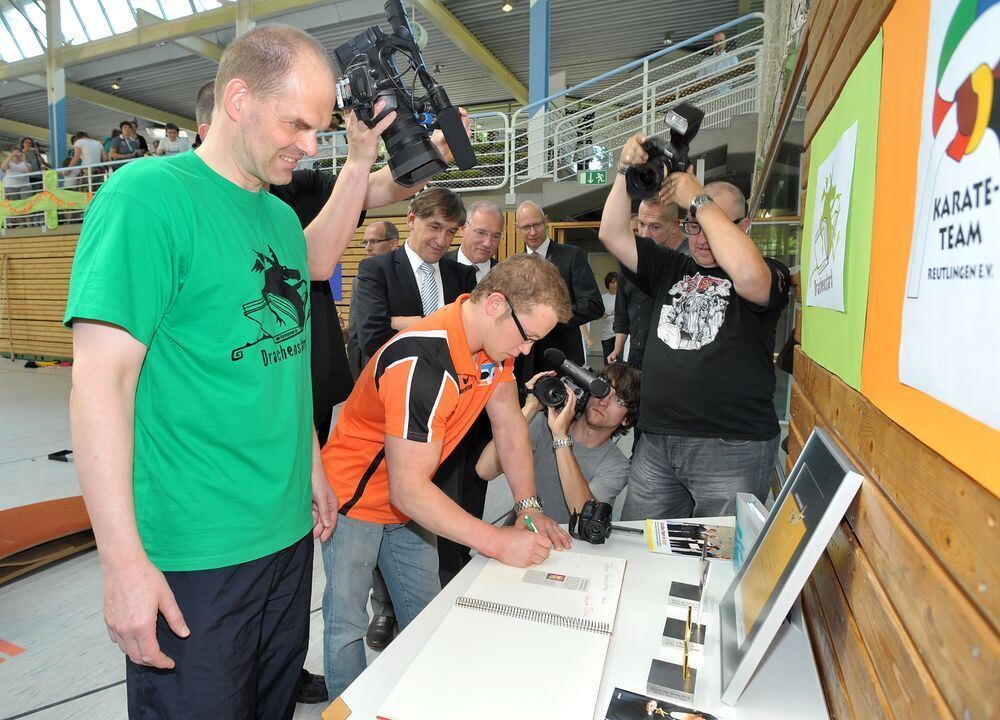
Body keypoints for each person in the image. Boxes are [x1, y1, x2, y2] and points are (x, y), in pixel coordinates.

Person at [66, 26, 343, 718]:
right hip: (195, 551)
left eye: (320, 128)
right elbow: (100, 383)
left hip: (286, 538)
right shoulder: (147, 198)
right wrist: (122, 563)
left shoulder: (281, 221)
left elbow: (284, 365)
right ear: (238, 100)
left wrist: (311, 463)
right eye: (297, 124)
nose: (311, 145)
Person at [319, 254, 574, 698]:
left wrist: (527, 506)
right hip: (355, 500)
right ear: (496, 304)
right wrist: (497, 541)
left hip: (412, 501)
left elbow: (508, 424)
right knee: (347, 624)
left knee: (428, 614)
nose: (526, 350)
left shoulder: (492, 349)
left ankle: (419, 701)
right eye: (527, 336)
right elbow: (408, 489)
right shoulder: (423, 363)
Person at [599, 132, 790, 520]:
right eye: (692, 225)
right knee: (640, 546)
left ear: (744, 226)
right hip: (658, 442)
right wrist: (623, 173)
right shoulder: (671, 265)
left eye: (710, 223)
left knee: (717, 553)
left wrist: (700, 201)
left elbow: (750, 279)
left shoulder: (767, 270)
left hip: (731, 447)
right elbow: (612, 234)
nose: (701, 238)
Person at [476, 362, 639, 523]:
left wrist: (560, 437)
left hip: (567, 538)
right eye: (602, 391)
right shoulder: (543, 424)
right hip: (522, 528)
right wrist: (529, 409)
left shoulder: (616, 465)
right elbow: (485, 470)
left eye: (618, 401)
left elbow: (585, 518)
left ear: (627, 419)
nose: (603, 402)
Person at [352, 187, 477, 365]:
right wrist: (441, 330)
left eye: (450, 231)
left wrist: (398, 323)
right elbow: (372, 339)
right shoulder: (376, 270)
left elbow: (472, 335)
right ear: (411, 219)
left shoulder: (463, 276)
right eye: (434, 227)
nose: (441, 241)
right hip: (395, 379)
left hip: (451, 379)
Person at [514, 200, 603, 379]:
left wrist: (552, 318)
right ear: (517, 228)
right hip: (524, 363)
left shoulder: (572, 256)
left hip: (563, 359)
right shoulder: (514, 265)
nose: (532, 232)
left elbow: (593, 305)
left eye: (537, 225)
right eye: (526, 227)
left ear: (546, 221)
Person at [609, 199, 686, 368]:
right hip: (638, 350)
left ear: (674, 226)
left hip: (674, 356)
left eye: (655, 227)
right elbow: (622, 315)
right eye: (641, 225)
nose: (644, 234)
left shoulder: (688, 263)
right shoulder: (628, 267)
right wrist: (617, 349)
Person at [347, 220, 400, 379]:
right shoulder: (360, 280)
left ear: (393, 244)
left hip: (397, 362)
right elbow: (355, 329)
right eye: (365, 242)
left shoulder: (408, 275)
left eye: (374, 242)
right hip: (367, 367)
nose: (368, 248)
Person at [445, 200, 503, 283]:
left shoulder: (506, 277)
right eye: (481, 233)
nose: (487, 243)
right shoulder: (437, 266)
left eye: (495, 236)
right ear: (463, 229)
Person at [598, 272, 618, 363]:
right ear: (608, 283)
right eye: (612, 282)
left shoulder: (623, 297)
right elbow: (597, 315)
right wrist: (602, 315)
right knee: (608, 362)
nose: (615, 285)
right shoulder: (603, 298)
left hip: (620, 334)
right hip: (607, 335)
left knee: (620, 363)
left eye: (617, 282)